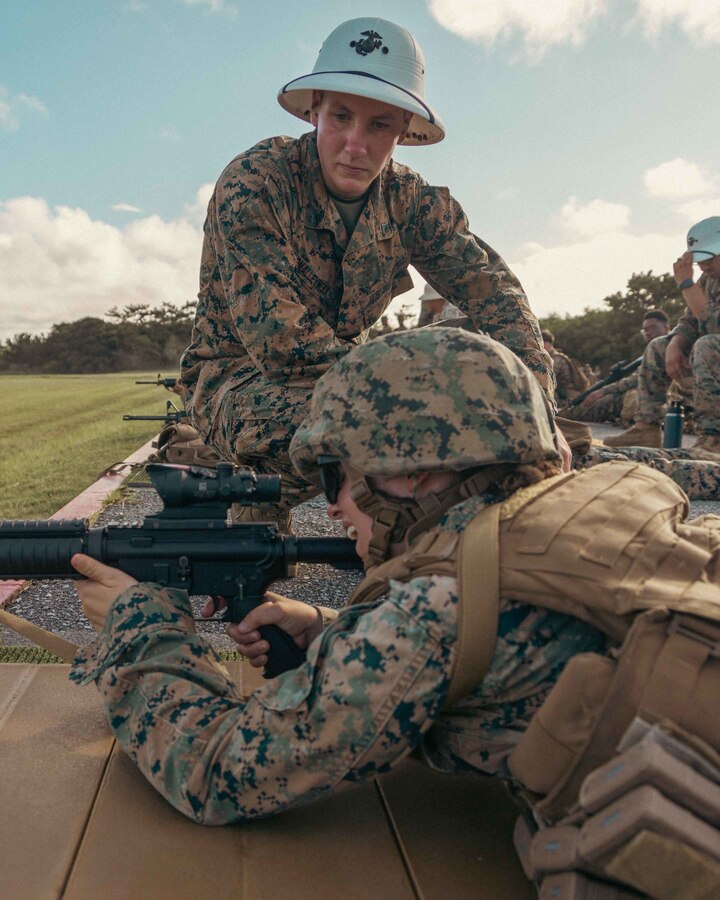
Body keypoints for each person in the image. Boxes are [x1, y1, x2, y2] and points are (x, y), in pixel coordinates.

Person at [69, 329, 720, 899]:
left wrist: (137, 625)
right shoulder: (577, 508)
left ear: (407, 473)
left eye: (336, 476)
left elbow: (215, 769)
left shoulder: (431, 615)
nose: (332, 508)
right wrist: (332, 630)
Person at [179, 17, 568, 530]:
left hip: (357, 378)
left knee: (467, 375)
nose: (355, 145)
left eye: (379, 125)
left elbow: (497, 297)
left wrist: (536, 409)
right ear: (314, 110)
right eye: (341, 117)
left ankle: (422, 546)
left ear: (404, 131)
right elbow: (282, 344)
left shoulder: (413, 201)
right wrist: (429, 387)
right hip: (239, 380)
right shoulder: (257, 182)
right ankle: (286, 511)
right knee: (397, 427)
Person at [605, 216, 720, 458]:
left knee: (706, 344)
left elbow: (714, 325)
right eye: (700, 260)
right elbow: (691, 320)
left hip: (713, 348)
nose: (703, 267)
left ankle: (714, 439)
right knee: (658, 346)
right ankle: (647, 427)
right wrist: (676, 343)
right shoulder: (709, 279)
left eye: (709, 258)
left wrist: (687, 283)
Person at [561, 309, 670, 425]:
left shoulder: (668, 348)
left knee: (609, 401)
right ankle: (567, 414)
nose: (647, 333)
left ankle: (569, 415)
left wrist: (603, 391)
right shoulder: (655, 350)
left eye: (652, 328)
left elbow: (636, 379)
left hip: (664, 397)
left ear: (666, 328)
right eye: (645, 330)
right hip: (657, 395)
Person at [541, 330, 590, 404]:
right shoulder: (555, 357)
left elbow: (547, 379)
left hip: (566, 395)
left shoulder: (556, 359)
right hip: (563, 394)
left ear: (547, 343)